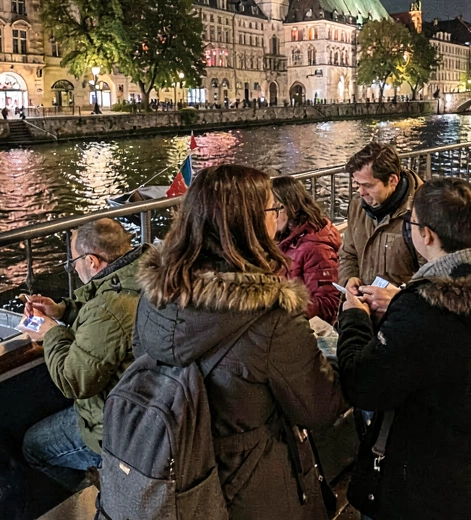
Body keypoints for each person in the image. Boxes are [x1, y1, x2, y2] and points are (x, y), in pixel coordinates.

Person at [133, 164, 346, 519]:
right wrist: (351, 337)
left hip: (178, 480)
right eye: (270, 210)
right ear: (246, 224)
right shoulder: (272, 316)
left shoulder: (153, 296)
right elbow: (319, 408)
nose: (275, 218)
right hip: (252, 488)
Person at [337, 177, 471, 520]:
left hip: (433, 478)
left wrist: (354, 319)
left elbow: (363, 383)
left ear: (426, 234)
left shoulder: (423, 309)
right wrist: (402, 301)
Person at [20, 219, 150, 489]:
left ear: (91, 261)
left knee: (33, 446)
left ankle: (96, 491)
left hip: (115, 429)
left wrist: (50, 333)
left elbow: (74, 380)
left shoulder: (108, 309)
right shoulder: (144, 273)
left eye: (73, 260)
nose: (72, 267)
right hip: (145, 409)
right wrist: (62, 311)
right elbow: (106, 311)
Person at [338, 142, 425, 293]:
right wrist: (349, 279)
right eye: (357, 184)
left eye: (368, 186)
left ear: (392, 181)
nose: (361, 192)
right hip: (364, 306)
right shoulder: (357, 206)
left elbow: (432, 277)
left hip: (399, 313)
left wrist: (397, 300)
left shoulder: (422, 213)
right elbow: (348, 254)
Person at [271, 175, 343, 323]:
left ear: (289, 207)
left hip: (301, 325)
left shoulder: (315, 247)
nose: (269, 217)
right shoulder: (283, 237)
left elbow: (328, 304)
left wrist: (280, 309)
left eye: (273, 210)